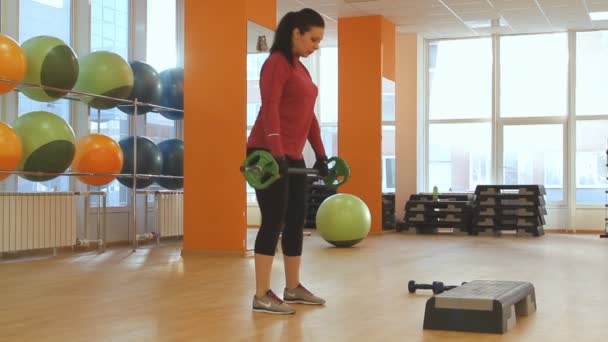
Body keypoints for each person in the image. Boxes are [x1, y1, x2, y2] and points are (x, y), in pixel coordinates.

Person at [247, 8, 328, 315]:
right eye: (313, 38)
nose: (316, 45)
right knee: (272, 220)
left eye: (320, 40)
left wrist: (320, 154)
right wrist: (277, 151)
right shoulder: (276, 64)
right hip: (265, 154)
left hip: (290, 156)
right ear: (296, 32)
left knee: (295, 220)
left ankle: (292, 287)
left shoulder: (301, 69)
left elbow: (309, 118)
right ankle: (261, 294)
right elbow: (269, 109)